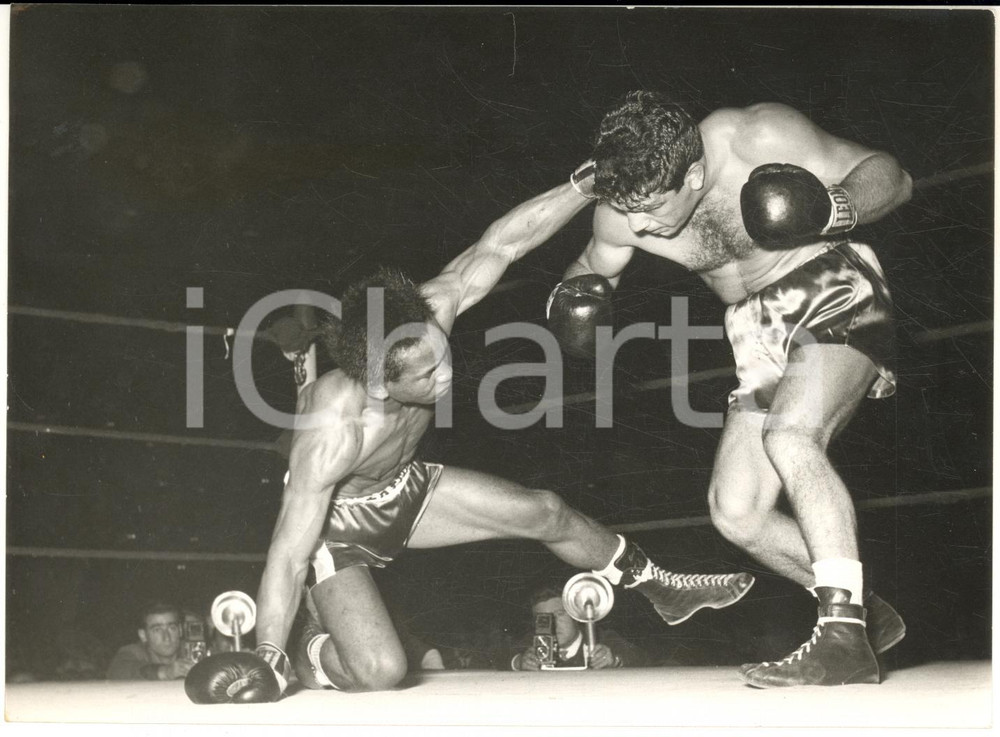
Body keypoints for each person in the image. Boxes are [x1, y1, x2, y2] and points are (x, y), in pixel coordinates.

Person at [184, 175, 755, 703]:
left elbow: (502, 243)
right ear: (382, 382)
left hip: (406, 488)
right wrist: (268, 655)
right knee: (382, 671)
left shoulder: (423, 319)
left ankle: (660, 587)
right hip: (339, 527)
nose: (448, 373)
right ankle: (312, 653)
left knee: (546, 510)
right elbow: (287, 553)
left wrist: (585, 183)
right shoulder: (333, 427)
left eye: (443, 354)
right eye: (428, 374)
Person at [546, 90, 913, 688]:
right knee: (736, 512)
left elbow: (894, 178)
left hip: (829, 284)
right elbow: (591, 264)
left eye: (653, 210)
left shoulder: (758, 136)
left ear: (694, 175)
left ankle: (842, 637)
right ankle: (860, 604)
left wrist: (833, 206)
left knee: (791, 437)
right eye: (626, 211)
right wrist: (575, 294)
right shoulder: (624, 211)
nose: (638, 226)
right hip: (750, 329)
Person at [508, 585, 648, 671]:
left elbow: (643, 659)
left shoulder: (601, 638)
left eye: (559, 614)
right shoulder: (529, 645)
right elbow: (497, 655)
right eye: (544, 619)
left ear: (575, 615)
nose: (553, 623)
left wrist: (615, 661)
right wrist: (519, 662)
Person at [107, 601, 197, 681]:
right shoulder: (134, 651)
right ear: (143, 635)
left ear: (180, 630)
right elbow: (117, 671)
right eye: (157, 630)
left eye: (172, 628)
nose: (166, 637)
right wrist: (165, 672)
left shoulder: (194, 650)